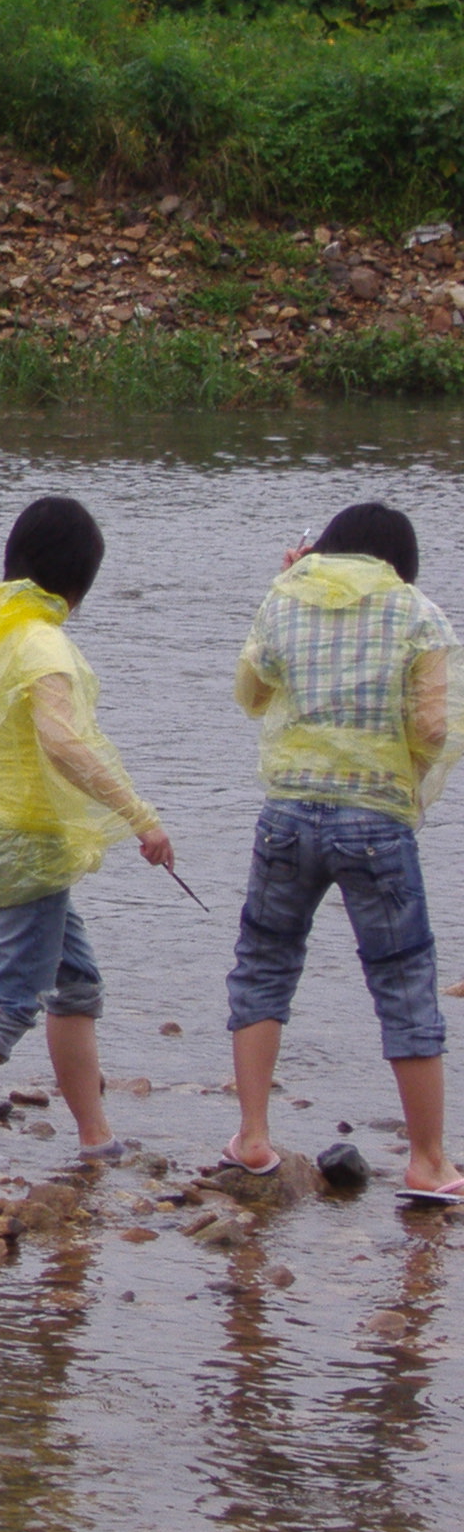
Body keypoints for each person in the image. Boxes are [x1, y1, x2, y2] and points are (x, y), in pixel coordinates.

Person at [0, 496, 174, 1178]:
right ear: (81, 581)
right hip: (24, 841)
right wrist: (139, 816)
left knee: (74, 982)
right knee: (9, 995)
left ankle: (95, 1134)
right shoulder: (42, 642)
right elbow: (63, 741)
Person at [225, 503, 460, 1205]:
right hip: (375, 820)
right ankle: (427, 1161)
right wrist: (404, 776)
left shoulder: (283, 600)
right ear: (397, 564)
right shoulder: (421, 615)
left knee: (265, 964)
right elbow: (432, 727)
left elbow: (250, 692)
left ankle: (254, 1138)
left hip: (288, 813)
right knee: (404, 981)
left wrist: (287, 588)